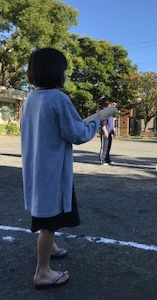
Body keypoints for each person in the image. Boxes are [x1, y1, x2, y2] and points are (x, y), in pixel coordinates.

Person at [20, 47, 102, 290]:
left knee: (47, 214)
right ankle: (42, 273)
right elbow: (77, 133)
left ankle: (51, 248)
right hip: (52, 172)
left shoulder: (29, 99)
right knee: (48, 221)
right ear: (56, 72)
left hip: (36, 170)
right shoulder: (58, 98)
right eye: (65, 70)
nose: (66, 75)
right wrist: (96, 120)